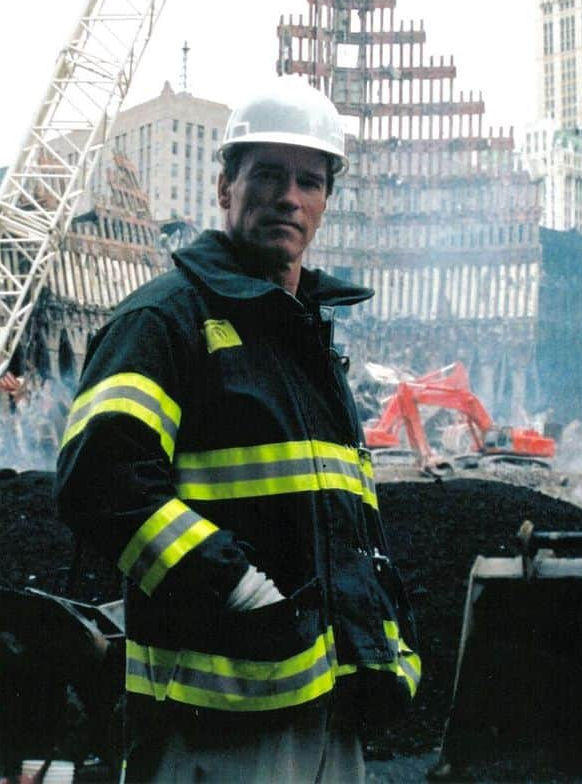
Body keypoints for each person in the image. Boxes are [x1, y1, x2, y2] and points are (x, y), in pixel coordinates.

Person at [56, 75, 420, 781]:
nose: (289, 196)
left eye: (309, 182)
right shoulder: (165, 322)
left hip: (326, 700)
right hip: (219, 725)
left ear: (325, 202)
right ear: (224, 187)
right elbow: (100, 480)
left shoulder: (305, 340)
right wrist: (236, 586)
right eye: (269, 175)